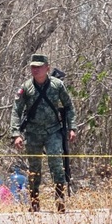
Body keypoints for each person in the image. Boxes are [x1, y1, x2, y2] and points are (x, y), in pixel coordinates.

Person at [10, 54, 77, 213]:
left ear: (47, 67)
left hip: (53, 131)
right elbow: (16, 111)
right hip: (33, 133)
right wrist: (16, 133)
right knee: (34, 169)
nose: (35, 69)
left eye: (39, 67)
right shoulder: (26, 87)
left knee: (57, 166)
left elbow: (69, 106)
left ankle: (60, 202)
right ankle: (34, 203)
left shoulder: (57, 85)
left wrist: (72, 128)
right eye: (33, 67)